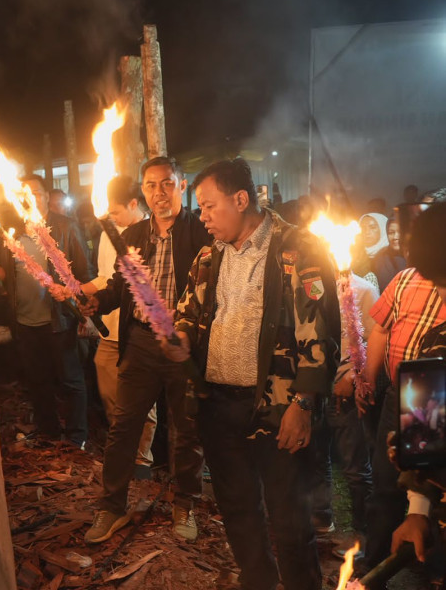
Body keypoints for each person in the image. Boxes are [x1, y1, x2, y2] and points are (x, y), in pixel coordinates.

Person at [163, 158, 340, 590]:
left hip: (277, 408)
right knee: (239, 511)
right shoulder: (209, 256)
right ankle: (257, 581)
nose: (201, 217)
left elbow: (320, 334)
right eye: (199, 208)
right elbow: (189, 312)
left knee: (289, 519)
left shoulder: (298, 251)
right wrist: (180, 337)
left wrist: (302, 405)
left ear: (241, 199)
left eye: (208, 206)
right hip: (219, 407)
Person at [81, 157, 211, 543]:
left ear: (182, 185)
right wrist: (98, 302)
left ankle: (184, 502)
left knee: (187, 429)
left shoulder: (201, 232)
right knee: (124, 426)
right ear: (143, 190)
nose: (159, 193)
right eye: (151, 185)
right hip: (139, 342)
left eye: (167, 184)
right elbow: (121, 285)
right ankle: (111, 507)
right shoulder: (133, 234)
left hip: (183, 345)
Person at [0, 174, 96, 448]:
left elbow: (84, 271)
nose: (29, 198)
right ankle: (49, 431)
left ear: (46, 196)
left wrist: (85, 308)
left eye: (35, 192)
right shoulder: (13, 231)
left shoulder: (65, 227)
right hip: (25, 320)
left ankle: (77, 436)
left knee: (70, 379)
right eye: (23, 194)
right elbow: (9, 276)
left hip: (60, 319)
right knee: (38, 380)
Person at [363, 202, 446, 570]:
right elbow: (425, 440)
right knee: (384, 487)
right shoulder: (436, 349)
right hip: (399, 401)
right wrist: (418, 509)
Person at [80, 175, 158, 481]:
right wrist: (81, 291)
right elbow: (106, 279)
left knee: (142, 399)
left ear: (134, 204)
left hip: (138, 332)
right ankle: (121, 448)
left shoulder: (149, 236)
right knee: (111, 394)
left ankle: (142, 461)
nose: (110, 218)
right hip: (109, 332)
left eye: (115, 212)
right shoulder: (107, 235)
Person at [311, 271, 377, 556]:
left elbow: (374, 341)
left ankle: (365, 536)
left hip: (346, 393)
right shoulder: (313, 285)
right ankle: (321, 517)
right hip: (316, 389)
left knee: (355, 468)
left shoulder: (363, 289)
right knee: (315, 456)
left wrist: (352, 377)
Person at [372, 218, 406, 291]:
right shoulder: (380, 258)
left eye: (400, 232)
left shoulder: (416, 258)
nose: (395, 237)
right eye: (391, 233)